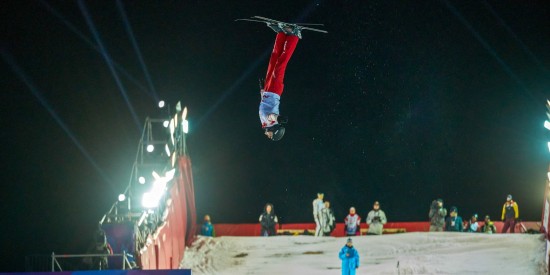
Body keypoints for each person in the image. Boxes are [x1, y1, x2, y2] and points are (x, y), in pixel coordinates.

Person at [258, 23, 302, 141]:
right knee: (281, 64)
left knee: (273, 60)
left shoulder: (264, 124)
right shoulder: (270, 122)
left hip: (268, 90)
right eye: (270, 136)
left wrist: (262, 90)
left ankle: (281, 35)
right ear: (274, 131)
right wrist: (278, 118)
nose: (267, 135)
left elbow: (264, 106)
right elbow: (271, 116)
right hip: (274, 90)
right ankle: (294, 36)